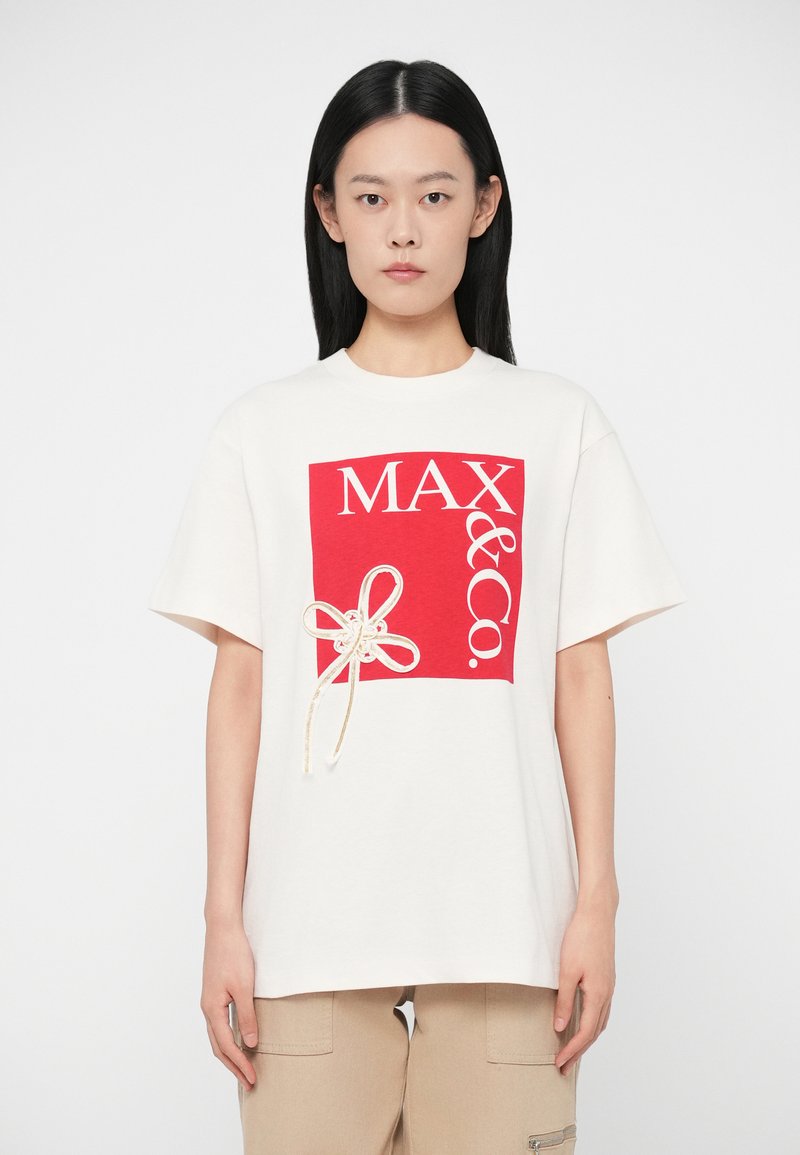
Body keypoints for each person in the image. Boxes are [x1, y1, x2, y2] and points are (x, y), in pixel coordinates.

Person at [147, 58, 687, 1155]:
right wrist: (221, 919)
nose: (403, 228)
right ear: (328, 213)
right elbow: (240, 685)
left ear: (484, 206)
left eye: (435, 194)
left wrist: (596, 901)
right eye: (371, 196)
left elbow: (579, 672)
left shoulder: (557, 423)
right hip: (304, 939)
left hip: (507, 934)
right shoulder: (262, 431)